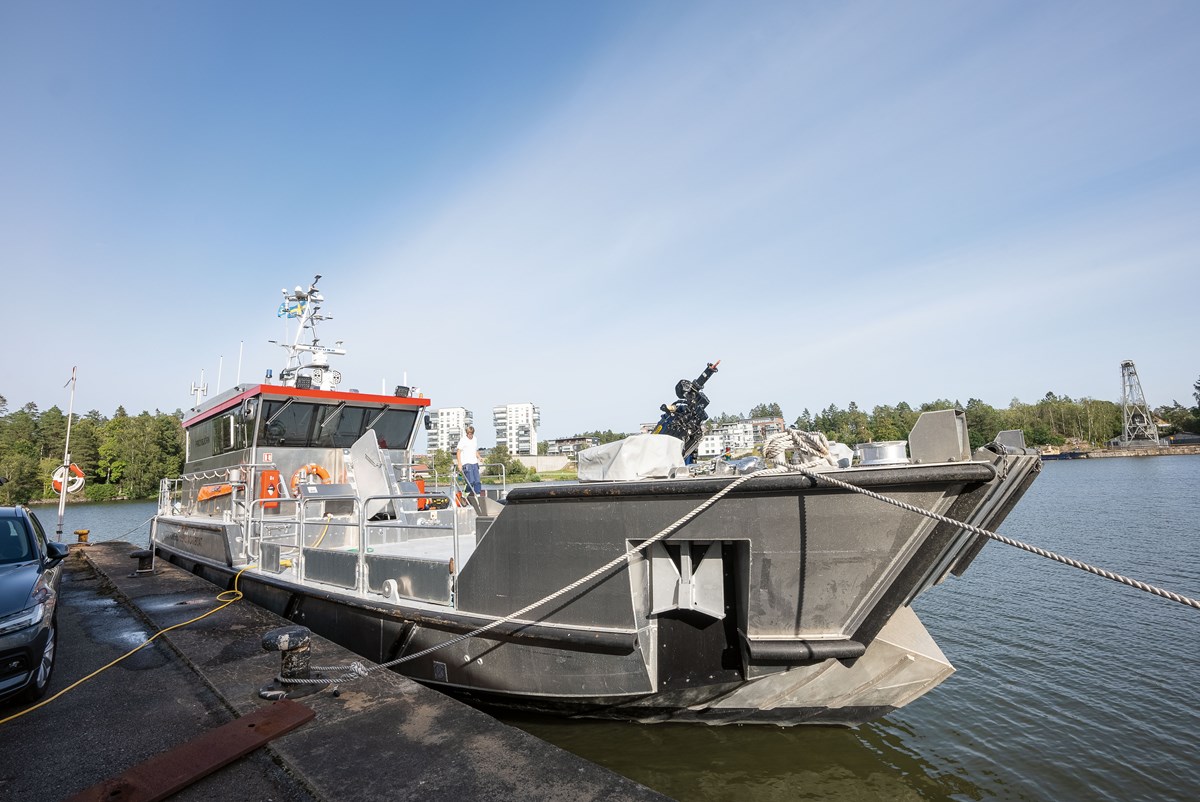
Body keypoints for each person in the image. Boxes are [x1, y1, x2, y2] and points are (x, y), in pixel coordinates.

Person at [456, 425, 483, 496]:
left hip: (474, 462)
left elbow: (475, 450)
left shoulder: (475, 439)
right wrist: (459, 463)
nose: (470, 435)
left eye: (471, 434)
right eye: (469, 434)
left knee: (477, 481)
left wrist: (479, 457)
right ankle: (465, 494)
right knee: (471, 481)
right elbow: (458, 452)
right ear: (467, 433)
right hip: (466, 463)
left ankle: (478, 495)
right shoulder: (463, 440)